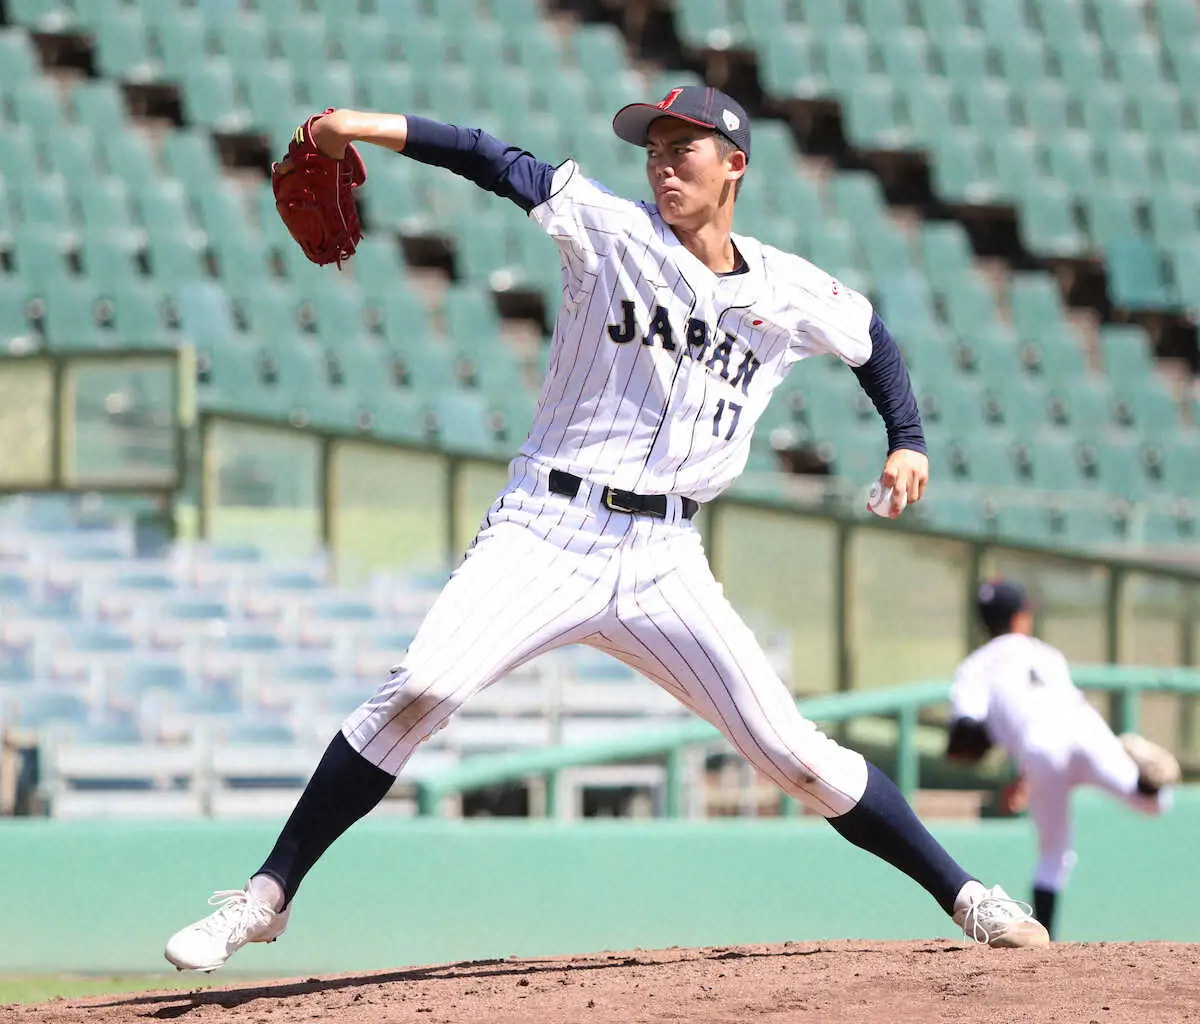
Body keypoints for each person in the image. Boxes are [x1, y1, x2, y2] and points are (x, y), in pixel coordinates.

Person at [164, 85, 1050, 972]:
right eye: (653, 150)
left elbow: (872, 339)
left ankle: (968, 895)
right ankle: (265, 897)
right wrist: (359, 127)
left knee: (793, 753)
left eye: (682, 149)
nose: (662, 165)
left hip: (666, 557)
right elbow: (488, 156)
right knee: (421, 688)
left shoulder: (786, 287)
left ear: (734, 165)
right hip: (547, 526)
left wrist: (907, 439)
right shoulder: (610, 229)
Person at [947, 579, 1180, 939]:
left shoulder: (975, 667)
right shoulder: (1047, 653)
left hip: (1039, 748)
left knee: (1054, 854)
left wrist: (986, 743)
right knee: (1154, 804)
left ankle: (1046, 940)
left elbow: (966, 732)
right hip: (1087, 729)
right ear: (1021, 617)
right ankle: (1147, 781)